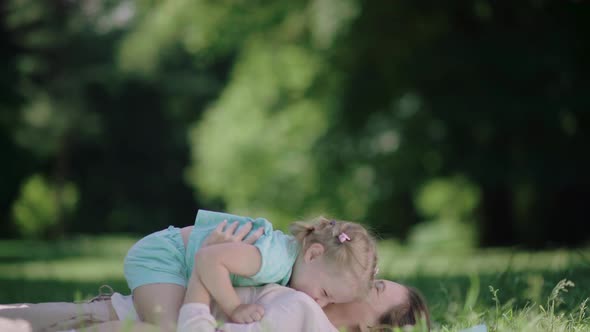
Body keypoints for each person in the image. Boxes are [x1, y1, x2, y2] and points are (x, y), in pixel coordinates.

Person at [125, 209, 378, 330]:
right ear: (313, 254)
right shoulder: (274, 259)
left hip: (178, 260)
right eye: (324, 292)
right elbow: (209, 259)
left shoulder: (290, 264)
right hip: (166, 257)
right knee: (166, 328)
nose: (319, 303)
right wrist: (235, 307)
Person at [0, 280, 430, 332]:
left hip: (123, 320)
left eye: (375, 288)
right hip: (119, 312)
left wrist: (204, 286)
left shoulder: (300, 312)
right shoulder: (308, 298)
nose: (364, 278)